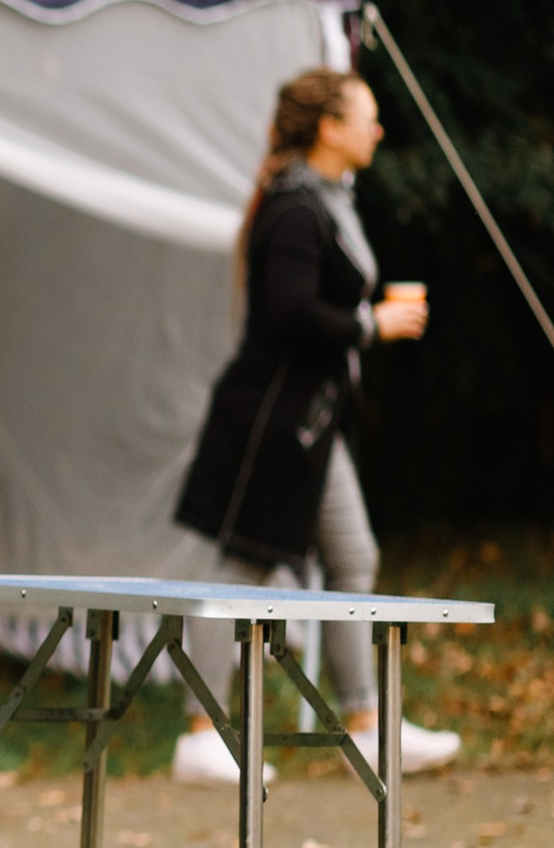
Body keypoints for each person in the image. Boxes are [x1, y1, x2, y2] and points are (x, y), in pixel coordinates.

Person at [171, 70, 456, 781]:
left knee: (353, 557)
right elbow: (289, 311)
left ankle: (368, 723)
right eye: (367, 118)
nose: (378, 130)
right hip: (270, 422)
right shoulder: (296, 208)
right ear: (329, 127)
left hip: (311, 424)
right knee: (242, 565)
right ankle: (200, 732)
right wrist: (371, 324)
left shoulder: (325, 199)